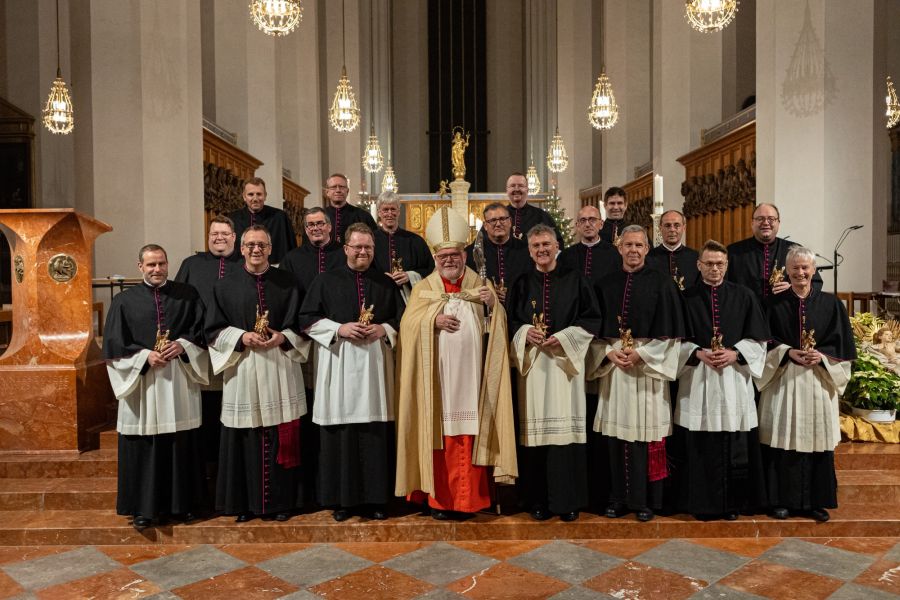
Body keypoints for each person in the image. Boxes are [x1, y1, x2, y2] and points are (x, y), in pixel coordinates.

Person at [395, 207, 517, 519]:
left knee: (471, 435)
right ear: (435, 259)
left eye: (455, 254)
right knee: (440, 437)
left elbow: (497, 331)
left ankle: (469, 502)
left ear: (464, 254)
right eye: (443, 256)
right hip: (436, 384)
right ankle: (439, 501)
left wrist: (493, 308)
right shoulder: (423, 289)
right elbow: (407, 330)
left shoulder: (481, 286)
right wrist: (431, 321)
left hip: (473, 382)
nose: (450, 260)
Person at [299, 222, 403, 521]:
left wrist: (382, 328)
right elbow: (306, 319)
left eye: (368, 247)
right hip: (339, 366)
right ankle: (342, 501)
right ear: (345, 248)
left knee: (374, 432)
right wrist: (339, 328)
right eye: (357, 247)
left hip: (374, 368)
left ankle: (377, 499)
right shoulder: (325, 280)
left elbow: (401, 319)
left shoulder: (385, 284)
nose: (362, 252)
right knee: (341, 435)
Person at [206, 225, 308, 523]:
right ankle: (244, 504)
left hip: (279, 365)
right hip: (244, 368)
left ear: (270, 248)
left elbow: (304, 325)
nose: (255, 250)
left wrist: (284, 336)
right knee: (245, 436)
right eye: (250, 245)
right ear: (241, 248)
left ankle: (282, 503)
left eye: (261, 245)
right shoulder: (224, 285)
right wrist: (240, 337)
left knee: (280, 435)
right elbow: (211, 329)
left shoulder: (288, 283)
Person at [103, 244, 207, 530]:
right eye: (151, 265)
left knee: (179, 444)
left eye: (161, 263)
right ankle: (143, 509)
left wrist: (182, 345)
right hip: (143, 384)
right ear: (140, 267)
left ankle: (182, 505)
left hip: (178, 380)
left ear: (168, 264)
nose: (157, 269)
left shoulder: (187, 296)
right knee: (145, 448)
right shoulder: (123, 302)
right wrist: (144, 356)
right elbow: (113, 345)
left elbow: (201, 333)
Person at [506, 224, 602, 522]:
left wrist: (565, 337)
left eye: (546, 244)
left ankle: (568, 501)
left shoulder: (576, 279)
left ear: (557, 244)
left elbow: (592, 318)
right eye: (536, 246)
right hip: (533, 368)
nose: (542, 250)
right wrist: (525, 332)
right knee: (535, 438)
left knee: (566, 439)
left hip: (564, 367)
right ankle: (537, 500)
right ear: (530, 249)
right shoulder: (521, 283)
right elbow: (509, 322)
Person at [590, 225, 685, 522]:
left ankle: (646, 501)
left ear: (647, 248)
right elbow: (592, 334)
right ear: (619, 247)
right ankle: (618, 498)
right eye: (628, 245)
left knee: (646, 438)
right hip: (616, 369)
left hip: (648, 370)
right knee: (617, 437)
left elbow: (673, 338)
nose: (633, 250)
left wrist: (642, 353)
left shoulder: (663, 283)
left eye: (639, 245)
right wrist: (608, 353)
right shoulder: (604, 284)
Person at [756, 246, 856, 522]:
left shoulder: (832, 304)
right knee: (782, 441)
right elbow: (763, 341)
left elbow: (842, 343)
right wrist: (787, 351)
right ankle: (780, 501)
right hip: (784, 378)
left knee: (816, 441)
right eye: (795, 268)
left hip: (818, 380)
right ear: (786, 271)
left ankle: (815, 501)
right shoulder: (771, 304)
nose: (800, 273)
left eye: (805, 268)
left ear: (813, 270)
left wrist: (821, 356)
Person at [672, 240, 770, 520]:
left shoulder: (745, 296)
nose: (714, 269)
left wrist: (736, 353)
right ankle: (699, 504)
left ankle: (731, 505)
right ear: (699, 265)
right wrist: (696, 353)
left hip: (733, 379)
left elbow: (759, 341)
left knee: (732, 442)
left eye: (720, 264)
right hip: (697, 379)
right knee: (699, 444)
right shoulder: (685, 298)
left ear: (727, 265)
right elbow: (673, 343)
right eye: (709, 263)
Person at [174, 216, 243, 494]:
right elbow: (179, 303)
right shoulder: (192, 265)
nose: (219, 238)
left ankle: (230, 469)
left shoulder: (243, 264)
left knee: (233, 405)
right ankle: (205, 471)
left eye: (225, 234)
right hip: (201, 348)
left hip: (236, 347)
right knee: (205, 408)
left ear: (234, 238)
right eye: (214, 233)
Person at [726, 203, 823, 304]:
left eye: (771, 219)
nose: (766, 223)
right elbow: (723, 286)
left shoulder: (794, 250)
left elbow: (816, 283)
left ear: (778, 223)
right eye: (760, 219)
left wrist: (793, 288)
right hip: (746, 314)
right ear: (752, 223)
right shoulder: (733, 252)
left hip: (785, 315)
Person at [372, 191, 434, 303]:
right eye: (385, 210)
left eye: (393, 209)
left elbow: (430, 269)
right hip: (380, 295)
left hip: (410, 298)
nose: (389, 213)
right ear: (379, 213)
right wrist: (380, 276)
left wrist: (409, 276)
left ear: (399, 211)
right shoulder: (370, 240)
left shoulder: (415, 241)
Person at [465, 203, 531, 305]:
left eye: (502, 219)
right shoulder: (471, 252)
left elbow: (533, 283)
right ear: (485, 225)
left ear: (510, 222)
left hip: (518, 311)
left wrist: (512, 296)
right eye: (492, 220)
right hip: (485, 311)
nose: (498, 224)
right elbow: (466, 286)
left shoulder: (526, 250)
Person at [229, 177, 297, 263]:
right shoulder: (233, 218)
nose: (255, 198)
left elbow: (292, 250)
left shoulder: (280, 217)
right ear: (244, 197)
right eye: (250, 194)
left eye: (259, 194)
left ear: (265, 196)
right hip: (241, 271)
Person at [279, 207, 344, 291]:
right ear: (306, 230)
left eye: (320, 223)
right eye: (311, 225)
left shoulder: (345, 252)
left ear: (329, 227)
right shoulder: (292, 258)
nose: (316, 228)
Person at [558, 205, 621, 288]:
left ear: (601, 224)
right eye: (583, 220)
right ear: (577, 225)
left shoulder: (614, 253)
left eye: (592, 219)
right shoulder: (566, 255)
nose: (587, 224)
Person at [646, 210, 699, 291]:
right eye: (667, 225)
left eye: (677, 225)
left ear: (684, 228)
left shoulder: (696, 257)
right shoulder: (648, 258)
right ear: (660, 228)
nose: (672, 229)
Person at [504, 173, 562, 243]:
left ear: (527, 190)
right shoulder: (499, 216)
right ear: (507, 190)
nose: (517, 189)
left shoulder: (541, 215)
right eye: (512, 186)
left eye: (521, 186)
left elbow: (557, 242)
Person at [322, 173, 377, 244]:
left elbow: (373, 242)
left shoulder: (363, 216)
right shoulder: (320, 216)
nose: (338, 190)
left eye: (341, 187)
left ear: (347, 191)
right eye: (334, 187)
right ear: (327, 192)